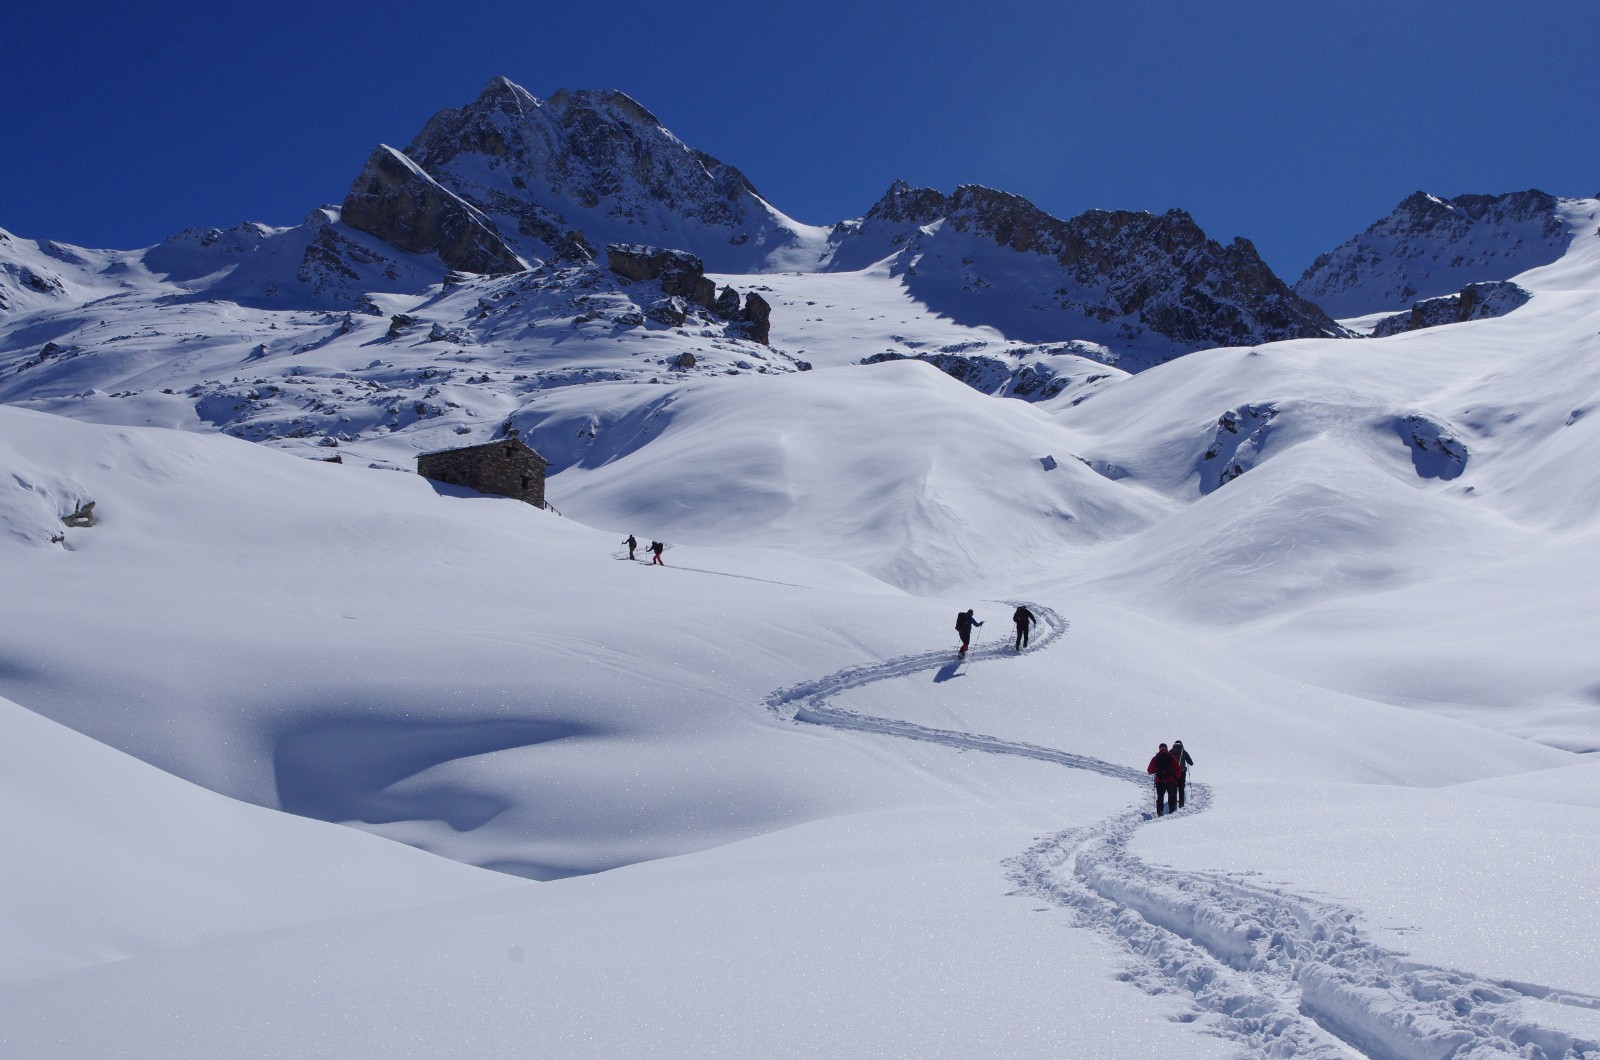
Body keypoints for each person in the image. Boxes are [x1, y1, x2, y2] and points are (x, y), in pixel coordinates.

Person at [1147, 742, 1179, 816]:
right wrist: (1175, 777)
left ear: (1159, 749)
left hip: (1160, 780)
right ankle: (1172, 812)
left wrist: (1157, 770)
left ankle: (1160, 813)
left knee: (1160, 797)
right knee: (1171, 796)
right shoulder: (1171, 757)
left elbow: (1150, 770)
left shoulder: (1156, 757)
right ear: (1167, 748)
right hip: (1170, 780)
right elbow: (1178, 769)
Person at [1171, 740, 1194, 809]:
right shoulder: (1184, 752)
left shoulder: (1171, 752)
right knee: (1181, 789)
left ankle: (1173, 806)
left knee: (1173, 789)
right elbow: (1191, 763)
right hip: (1182, 772)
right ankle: (1181, 805)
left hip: (1173, 773)